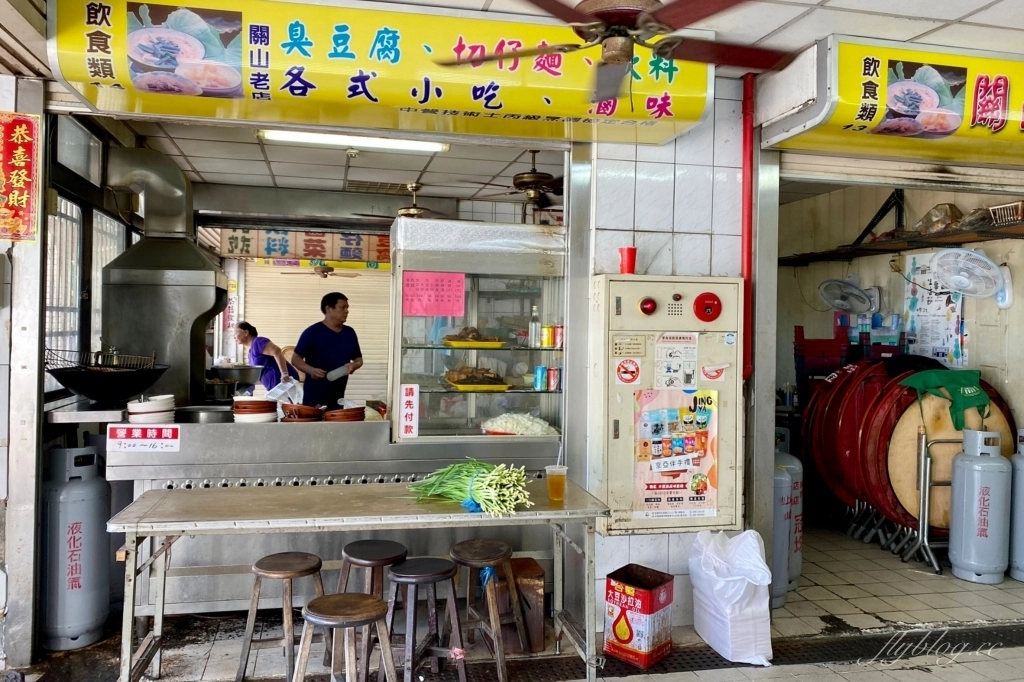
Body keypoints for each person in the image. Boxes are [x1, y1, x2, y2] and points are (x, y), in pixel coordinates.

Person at [290, 292, 363, 408]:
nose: (347, 311)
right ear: (329, 309)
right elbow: (295, 359)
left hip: (339, 397)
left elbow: (358, 359)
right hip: (314, 397)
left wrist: (355, 365)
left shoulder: (349, 333)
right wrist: (311, 370)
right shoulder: (312, 332)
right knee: (314, 425)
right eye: (342, 307)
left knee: (335, 425)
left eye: (347, 308)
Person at [233, 321, 298, 392]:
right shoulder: (250, 353)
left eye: (235, 333)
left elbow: (277, 351)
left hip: (286, 383)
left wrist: (284, 373)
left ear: (246, 332)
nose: (234, 337)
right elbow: (256, 375)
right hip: (275, 388)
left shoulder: (258, 342)